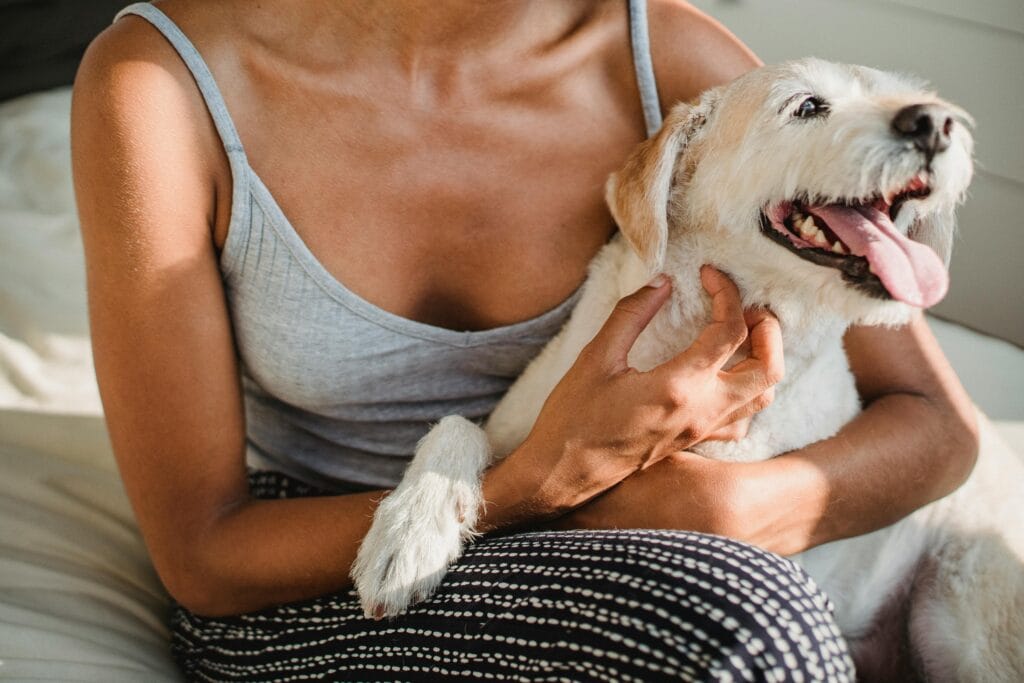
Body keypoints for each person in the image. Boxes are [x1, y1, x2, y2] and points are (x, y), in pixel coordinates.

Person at [71, 0, 977, 680]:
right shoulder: (160, 84)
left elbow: (938, 427)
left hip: (647, 531)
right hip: (310, 565)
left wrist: (725, 511)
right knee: (756, 630)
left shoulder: (660, 53)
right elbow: (202, 555)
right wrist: (530, 482)